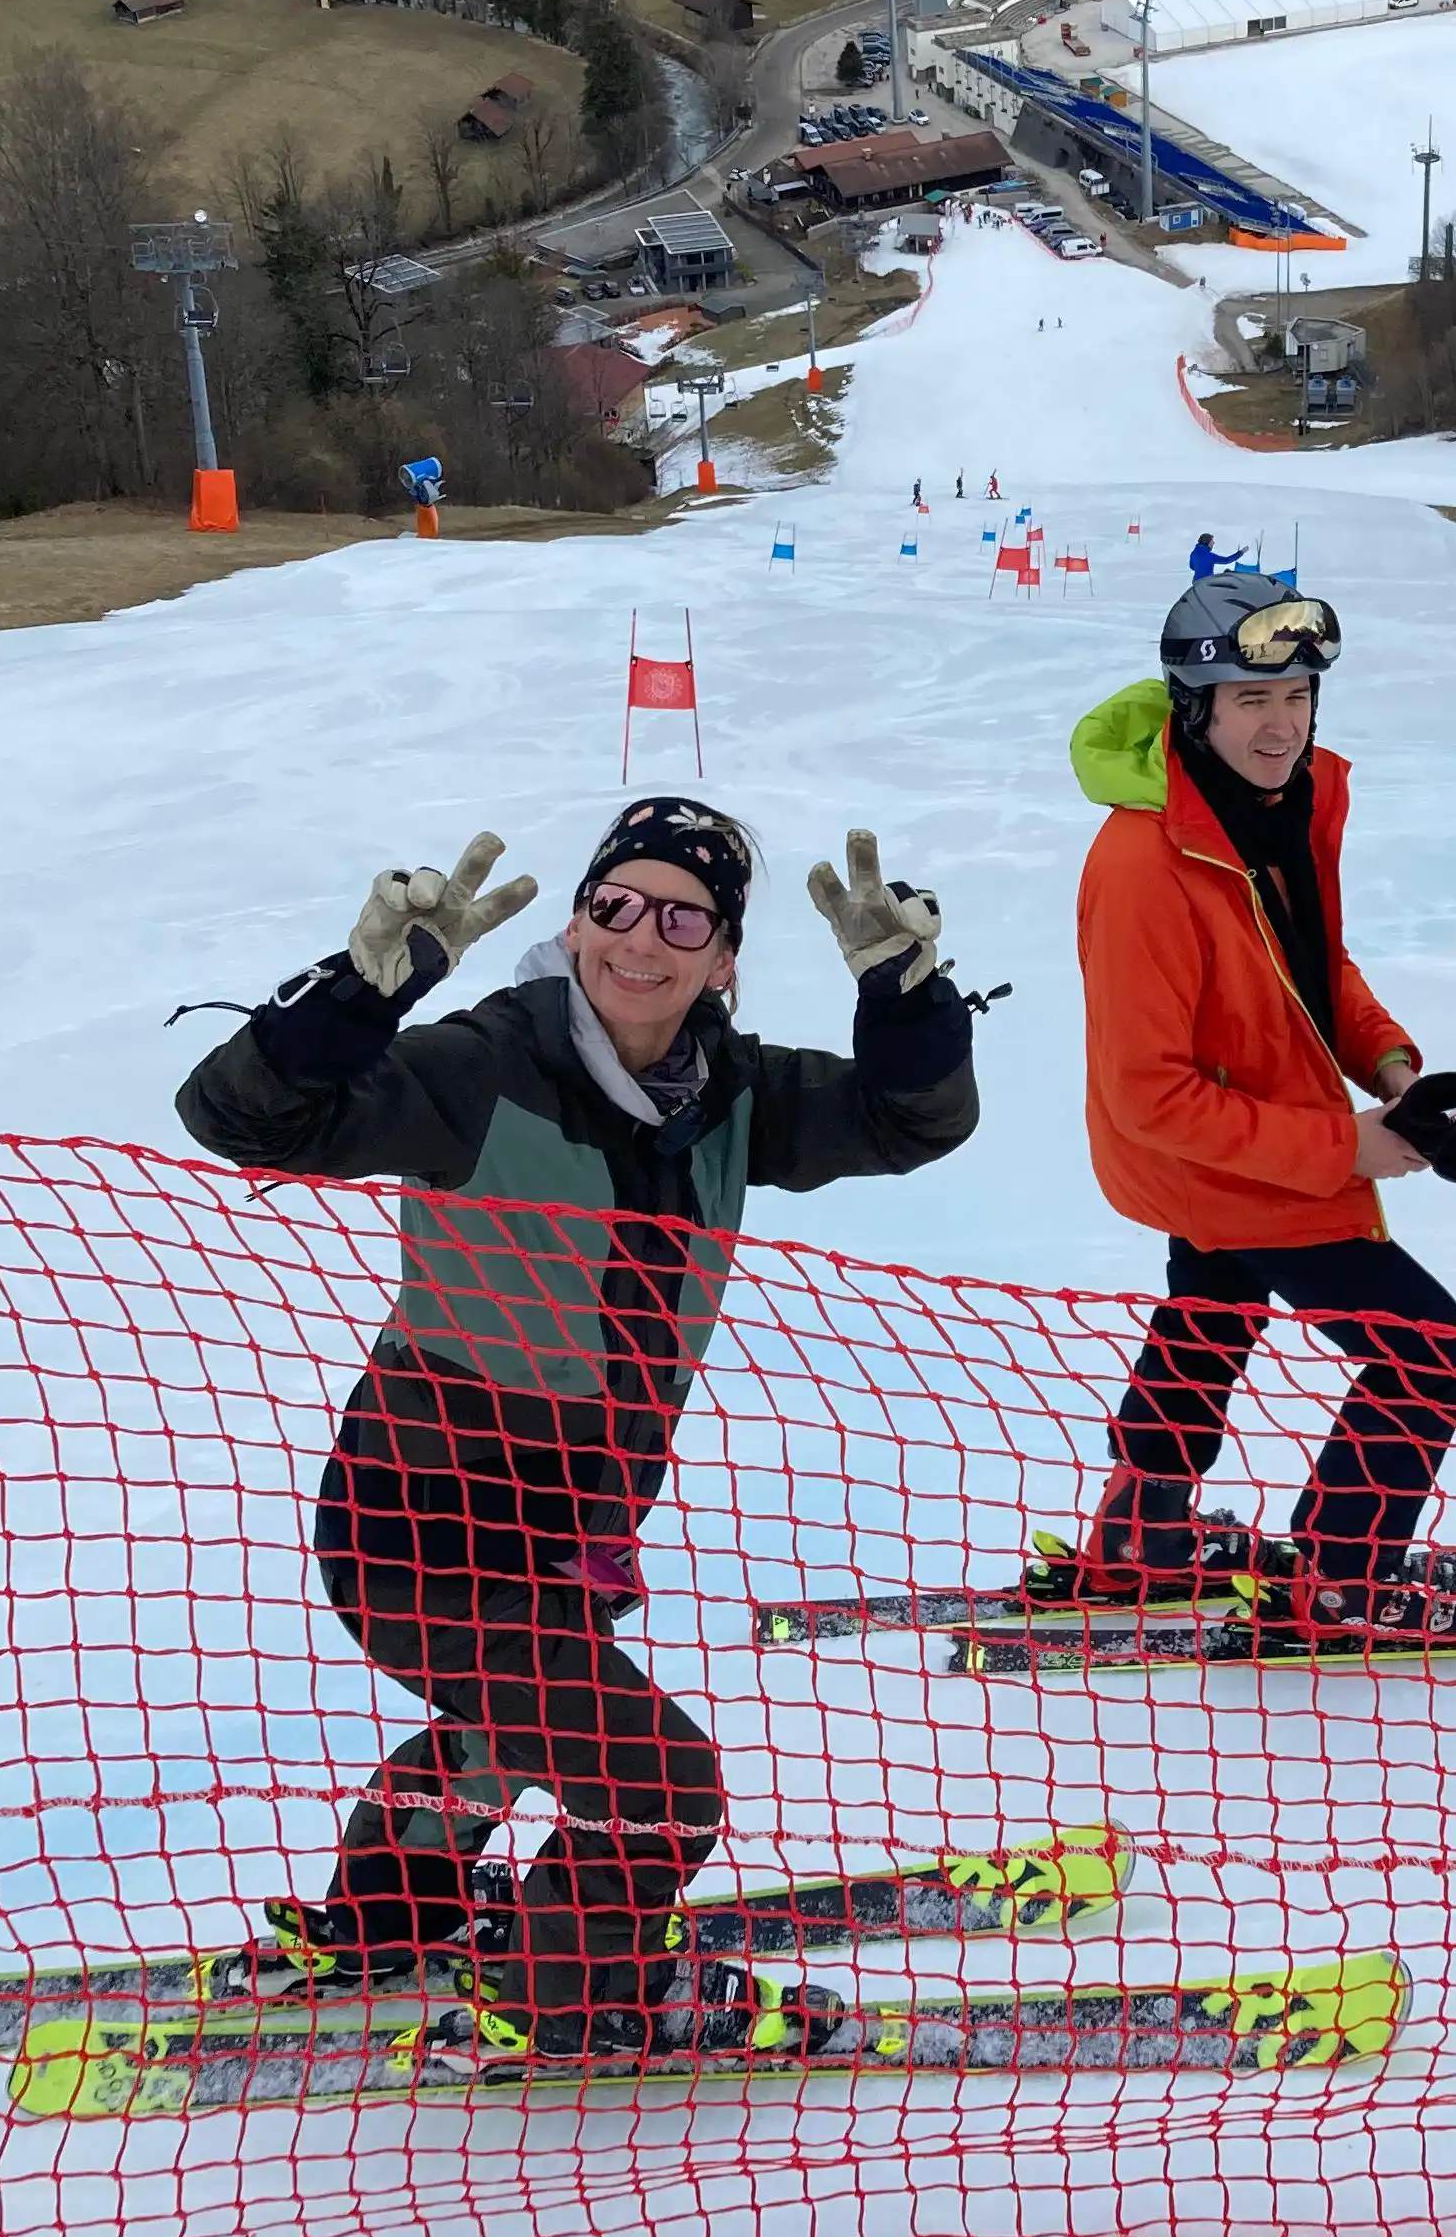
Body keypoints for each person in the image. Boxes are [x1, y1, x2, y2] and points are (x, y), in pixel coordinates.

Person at [176, 794, 977, 2060]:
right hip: (419, 1532)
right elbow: (239, 1118)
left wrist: (905, 999)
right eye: (616, 904)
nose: (638, 941)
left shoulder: (730, 1094)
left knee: (504, 1730)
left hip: (573, 1529)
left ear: (723, 956)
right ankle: (566, 1998)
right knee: (659, 1788)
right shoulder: (486, 1068)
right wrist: (354, 999)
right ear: (577, 918)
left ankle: (390, 1916)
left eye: (681, 915)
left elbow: (910, 1120)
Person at [1069, 573, 1456, 1651]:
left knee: (1212, 1308)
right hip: (1217, 1155)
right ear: (1195, 710)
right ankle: (1341, 1576)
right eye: (1250, 701)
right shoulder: (1145, 864)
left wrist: (1391, 1065)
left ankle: (1142, 1527)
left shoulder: (1287, 804)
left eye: (1297, 695)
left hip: (1246, 1140)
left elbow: (1309, 963)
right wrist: (1345, 1147)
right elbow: (1149, 1091)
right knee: (1424, 1350)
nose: (1282, 724)